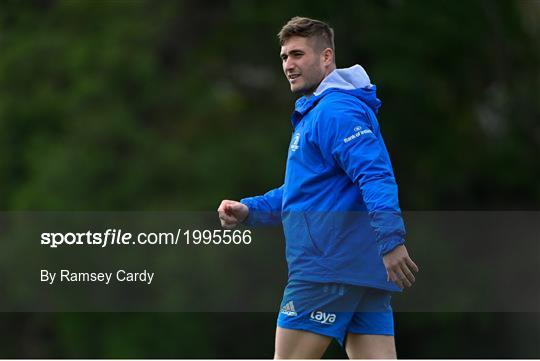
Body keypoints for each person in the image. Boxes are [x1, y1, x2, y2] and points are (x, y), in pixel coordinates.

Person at [217, 16, 419, 359]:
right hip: (361, 272)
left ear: (326, 57)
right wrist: (252, 210)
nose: (288, 65)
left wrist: (391, 241)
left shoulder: (335, 111)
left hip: (326, 268)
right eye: (284, 57)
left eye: (297, 54)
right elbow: (305, 192)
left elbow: (375, 175)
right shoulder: (323, 112)